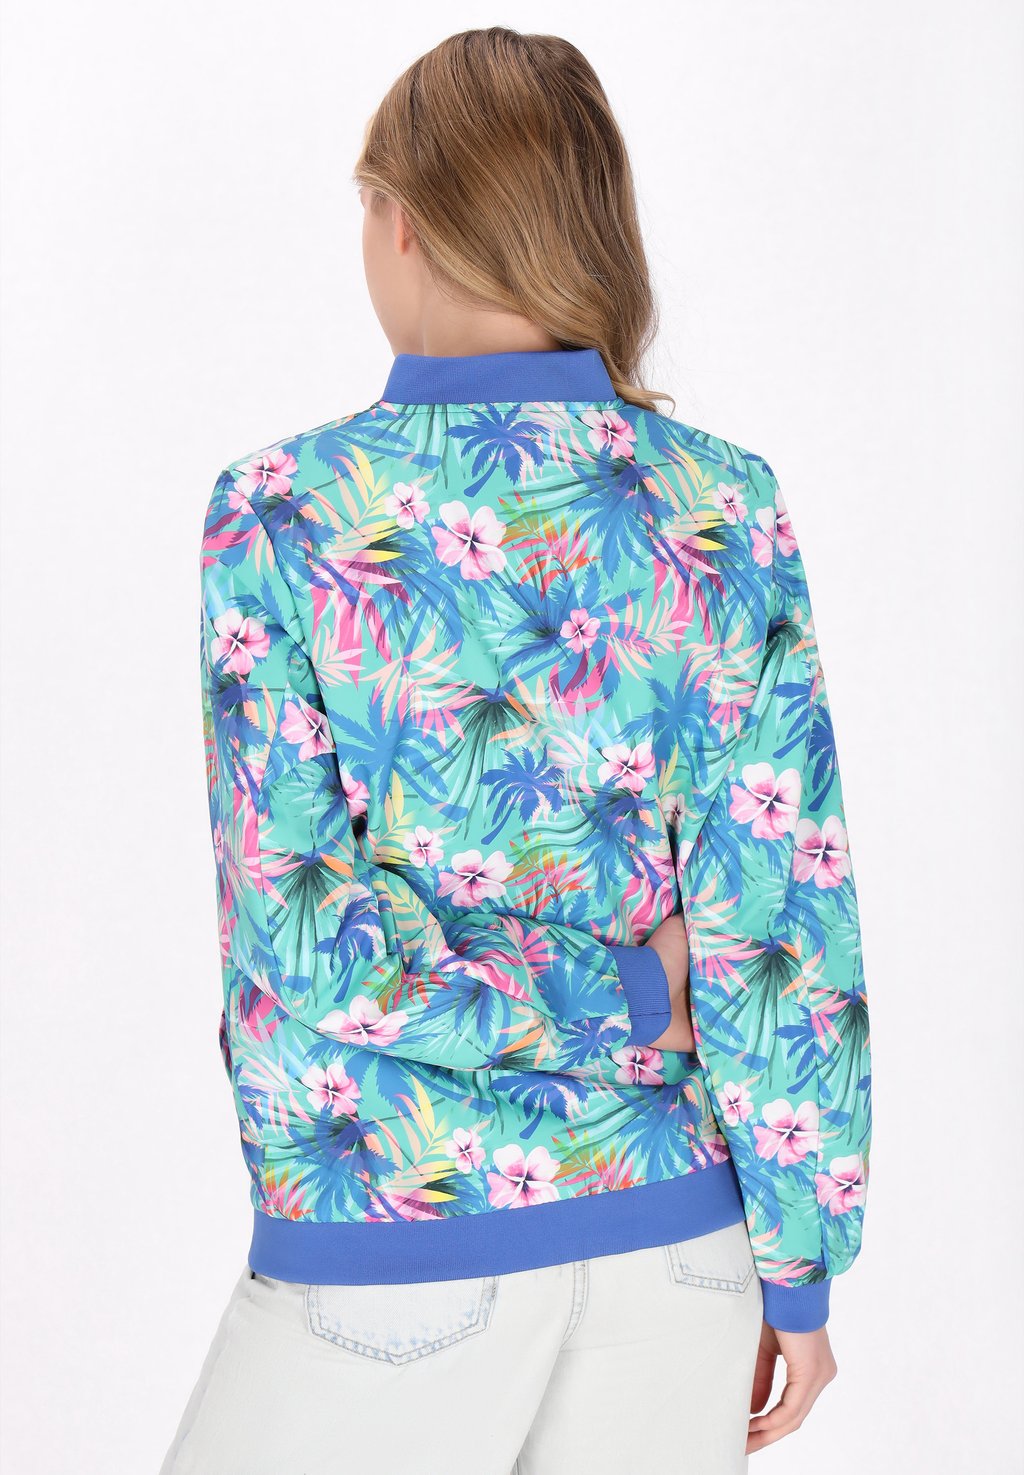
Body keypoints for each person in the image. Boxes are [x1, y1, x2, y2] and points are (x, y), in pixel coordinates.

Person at [160, 25, 870, 1475]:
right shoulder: (723, 505)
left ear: (400, 219)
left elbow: (310, 946)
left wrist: (610, 994)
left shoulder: (284, 510)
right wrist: (799, 1268)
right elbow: (786, 924)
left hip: (391, 1237)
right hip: (682, 1247)